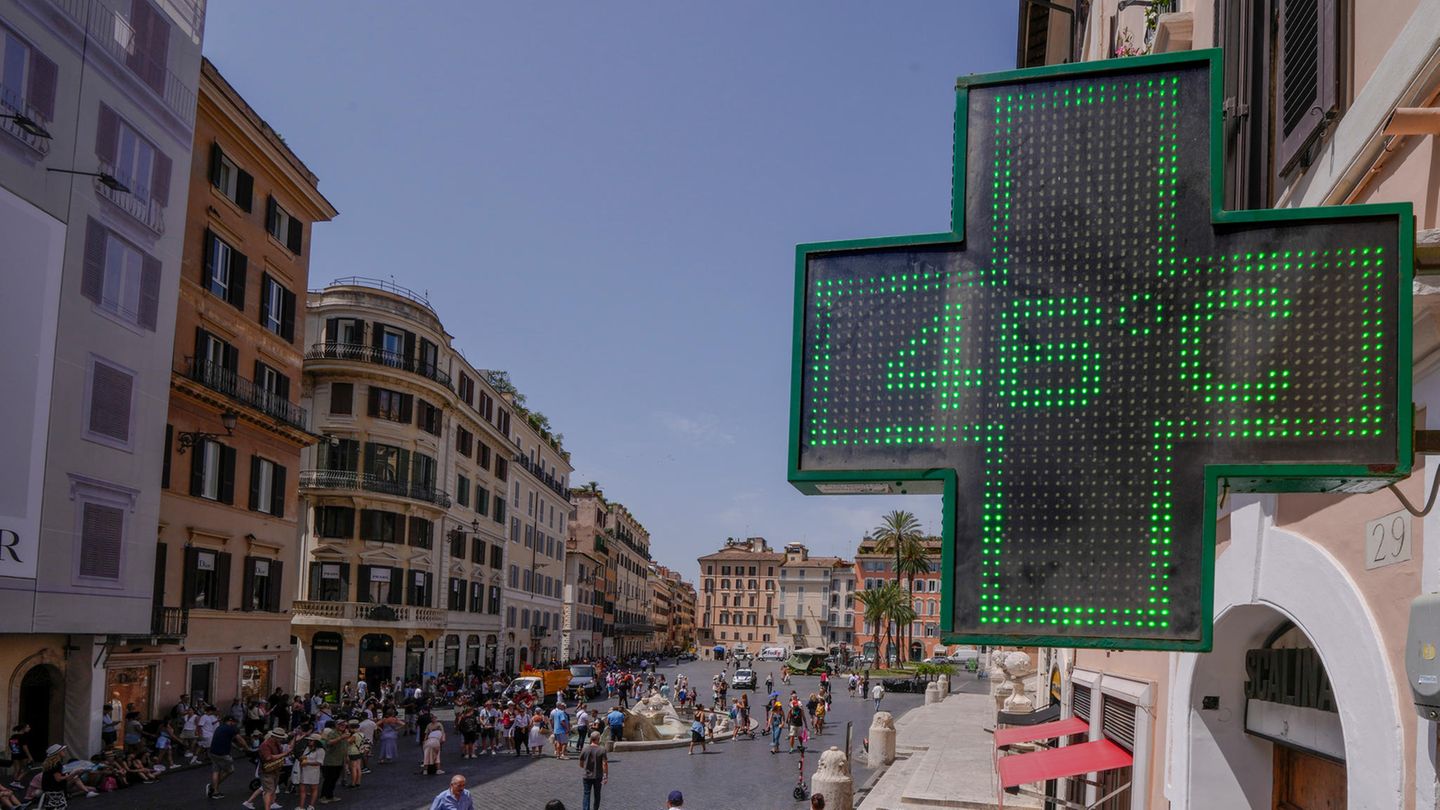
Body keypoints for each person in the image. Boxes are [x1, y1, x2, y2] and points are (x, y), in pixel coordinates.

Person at [205, 715, 242, 800]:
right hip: (222, 754)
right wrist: (247, 748)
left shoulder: (219, 728)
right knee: (230, 770)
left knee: (216, 770)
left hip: (213, 752)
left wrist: (238, 748)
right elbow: (240, 739)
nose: (234, 724)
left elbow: (228, 741)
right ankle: (213, 787)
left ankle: (215, 791)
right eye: (234, 722)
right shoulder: (230, 729)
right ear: (230, 721)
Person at [318, 719, 348, 803]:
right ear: (336, 725)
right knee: (328, 779)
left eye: (344, 725)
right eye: (340, 725)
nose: (342, 726)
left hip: (339, 760)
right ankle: (323, 797)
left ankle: (330, 795)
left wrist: (346, 757)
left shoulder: (343, 734)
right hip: (331, 761)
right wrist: (341, 738)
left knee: (334, 779)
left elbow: (345, 746)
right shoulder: (333, 733)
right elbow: (329, 742)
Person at [578, 731, 607, 810]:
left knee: (586, 794)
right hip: (598, 776)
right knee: (597, 794)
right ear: (598, 738)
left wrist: (586, 767)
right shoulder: (602, 749)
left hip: (586, 776)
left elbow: (581, 764)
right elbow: (604, 764)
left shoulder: (585, 749)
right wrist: (605, 776)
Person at [295, 734, 323, 810]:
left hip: (314, 772)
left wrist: (307, 763)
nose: (309, 742)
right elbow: (304, 757)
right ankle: (301, 806)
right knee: (302, 789)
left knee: (313, 789)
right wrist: (302, 759)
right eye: (309, 740)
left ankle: (311, 806)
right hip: (304, 771)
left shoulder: (320, 750)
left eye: (311, 740)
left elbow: (319, 762)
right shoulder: (307, 748)